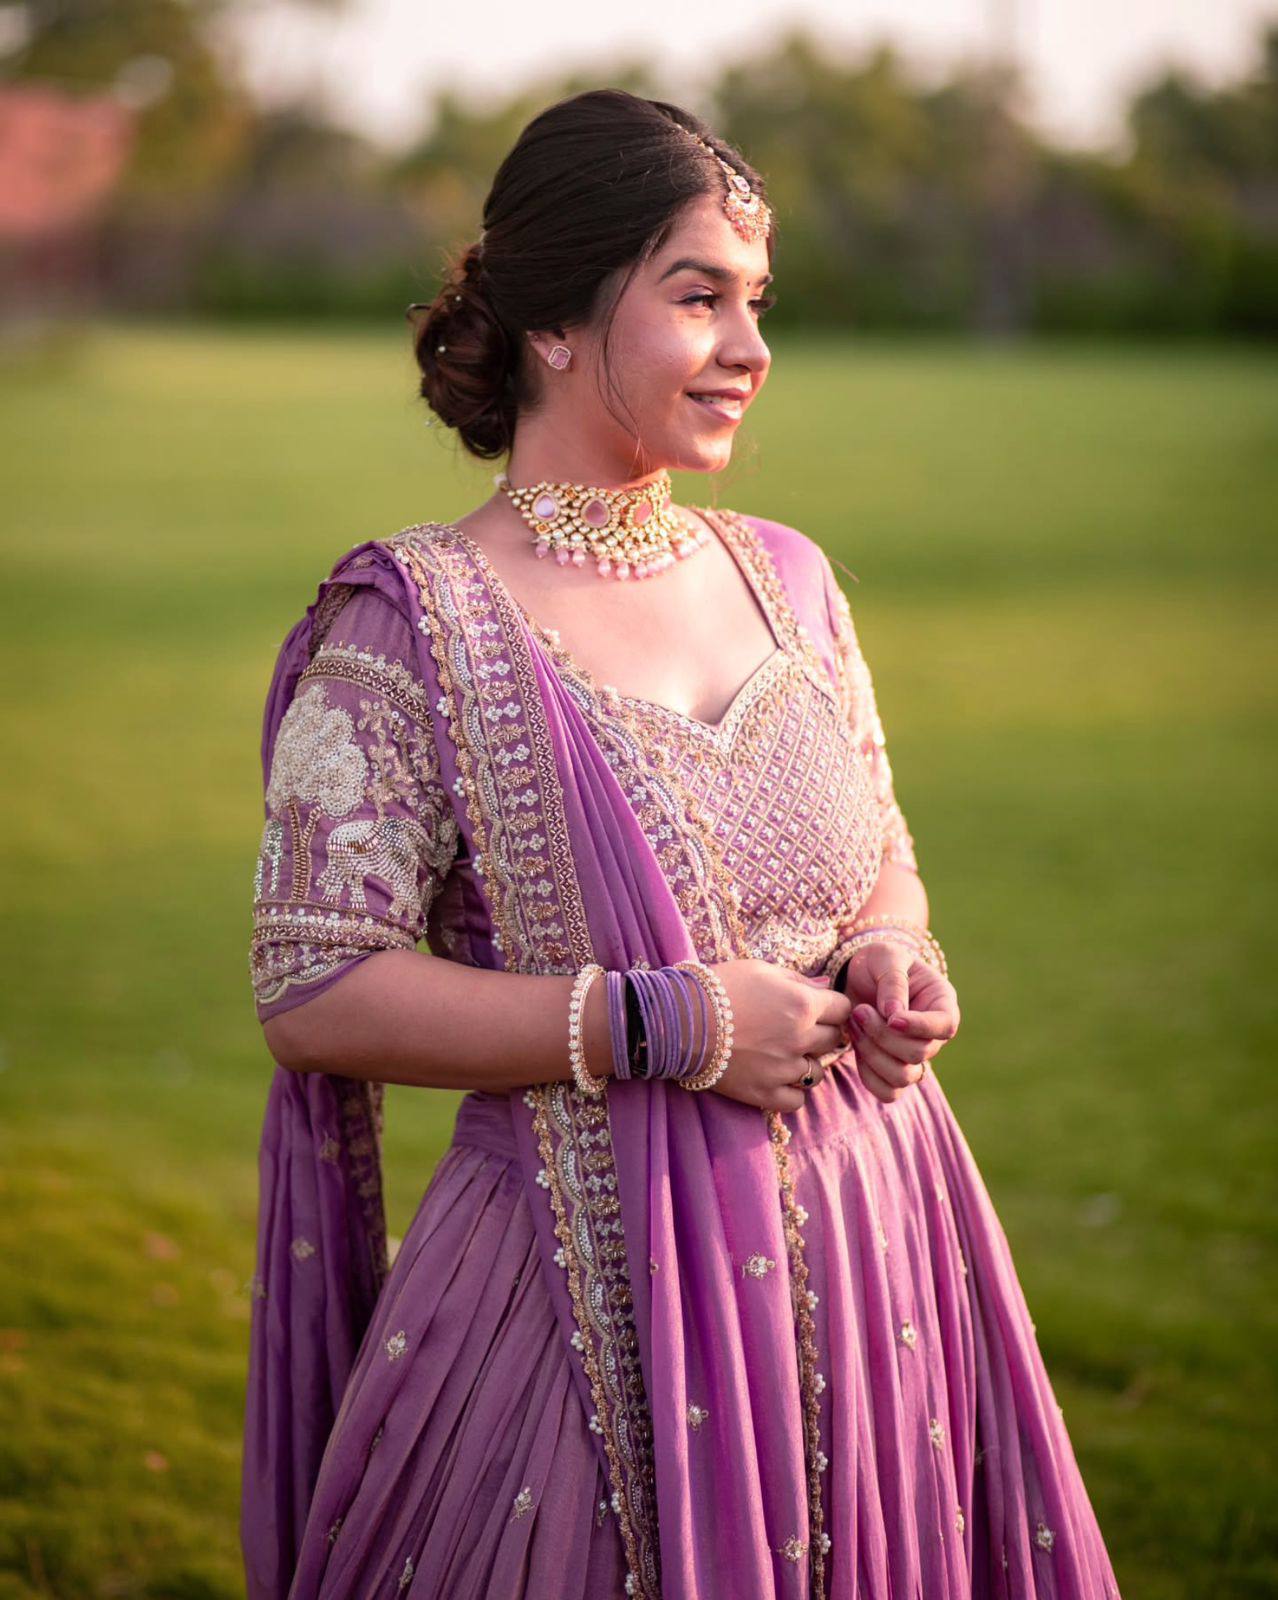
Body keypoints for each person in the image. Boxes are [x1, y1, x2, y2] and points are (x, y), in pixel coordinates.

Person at [240, 88, 1123, 1600]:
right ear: (558, 323)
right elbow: (313, 991)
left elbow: (876, 854)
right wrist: (668, 1021)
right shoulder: (415, 624)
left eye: (756, 300)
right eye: (697, 296)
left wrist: (893, 951)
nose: (750, 348)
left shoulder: (788, 581)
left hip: (877, 1256)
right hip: (573, 1315)